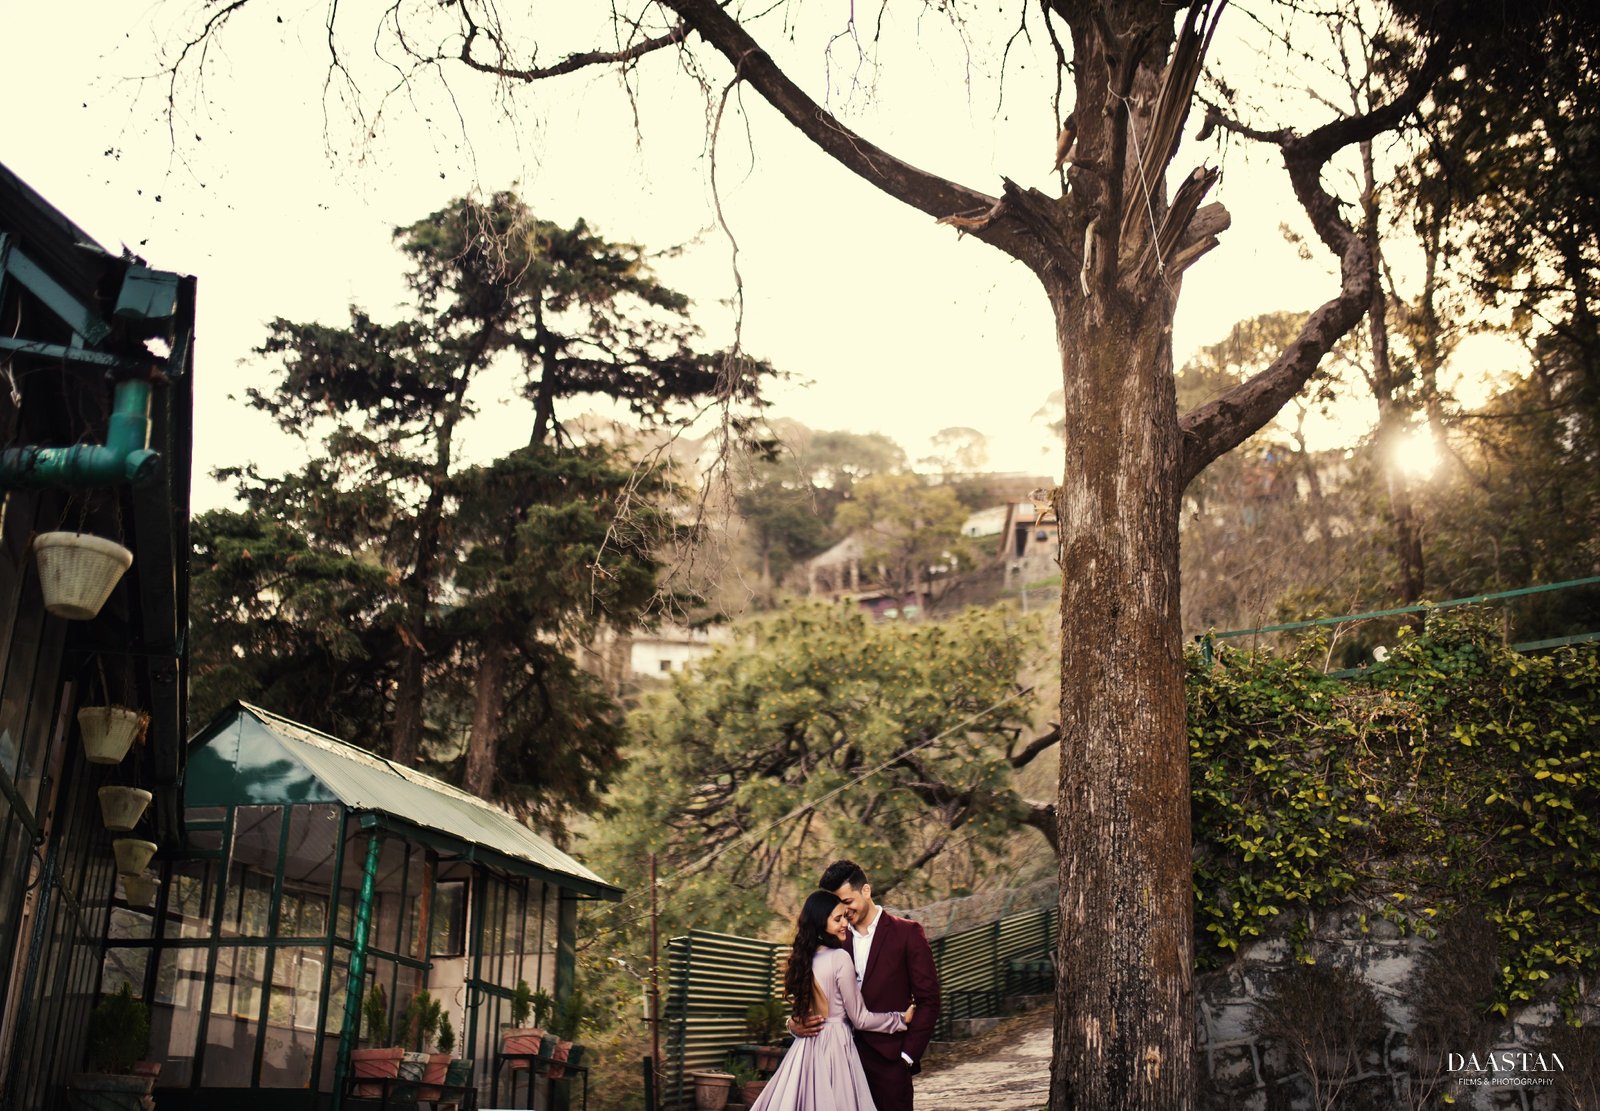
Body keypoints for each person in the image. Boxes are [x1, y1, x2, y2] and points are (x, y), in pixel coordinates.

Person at [788, 860, 940, 1111]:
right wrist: (793, 1024)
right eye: (837, 906)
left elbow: (929, 1000)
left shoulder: (907, 933)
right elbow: (812, 999)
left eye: (847, 902)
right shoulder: (831, 941)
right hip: (838, 1066)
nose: (844, 912)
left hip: (889, 1063)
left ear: (866, 891)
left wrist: (907, 1056)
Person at [749, 889, 915, 1111]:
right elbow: (861, 1019)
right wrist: (901, 1018)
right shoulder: (839, 958)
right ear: (820, 923)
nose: (844, 923)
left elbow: (801, 1015)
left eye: (844, 917)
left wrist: (791, 1025)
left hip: (806, 1047)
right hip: (836, 1045)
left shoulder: (803, 961)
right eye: (837, 919)